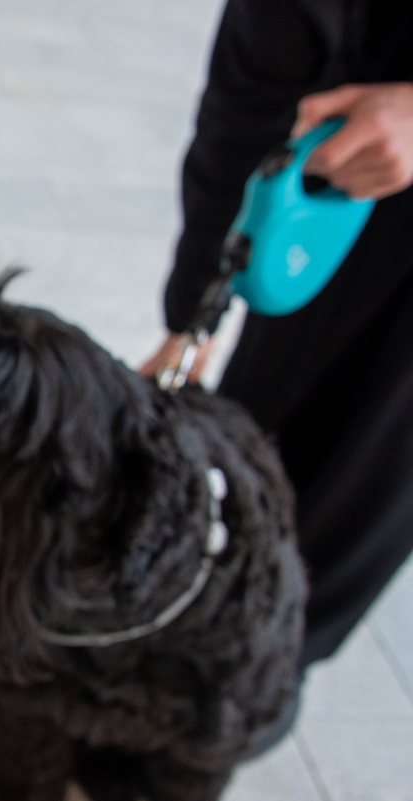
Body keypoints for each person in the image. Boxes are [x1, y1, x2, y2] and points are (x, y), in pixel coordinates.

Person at [140, 0, 413, 668]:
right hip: (341, 186)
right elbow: (250, 99)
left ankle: (255, 689)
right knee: (258, 453)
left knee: (356, 508)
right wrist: (195, 312)